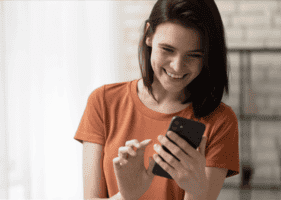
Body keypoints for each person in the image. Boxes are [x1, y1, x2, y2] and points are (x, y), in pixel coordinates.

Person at [74, 0, 240, 199]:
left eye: (194, 55)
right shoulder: (103, 102)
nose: (177, 67)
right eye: (167, 50)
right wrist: (127, 196)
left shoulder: (221, 120)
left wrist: (197, 191)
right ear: (149, 36)